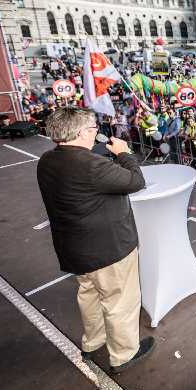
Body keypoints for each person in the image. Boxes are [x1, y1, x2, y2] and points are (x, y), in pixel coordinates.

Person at [36, 107, 154, 373]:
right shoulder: (91, 165)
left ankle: (93, 341)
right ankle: (123, 355)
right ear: (80, 133)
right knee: (119, 302)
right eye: (93, 129)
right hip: (107, 250)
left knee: (89, 296)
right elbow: (136, 181)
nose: (96, 133)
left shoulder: (47, 160)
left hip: (74, 250)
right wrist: (124, 153)